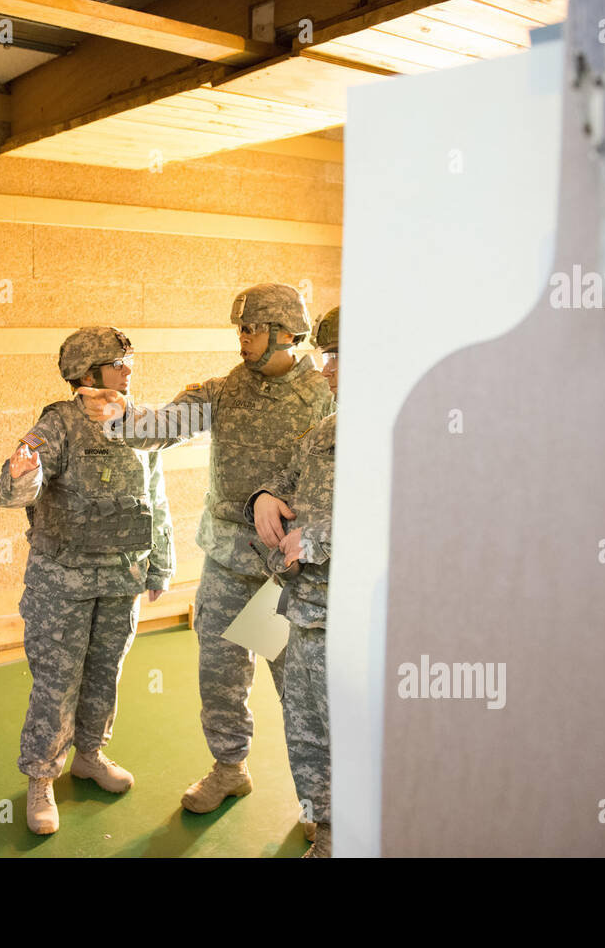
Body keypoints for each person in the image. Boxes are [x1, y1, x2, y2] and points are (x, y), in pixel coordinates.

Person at [78, 284, 333, 814]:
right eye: (240, 329)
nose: (241, 338)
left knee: (302, 694)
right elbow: (163, 426)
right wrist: (119, 418)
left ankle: (320, 806)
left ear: (286, 333)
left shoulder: (327, 393)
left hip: (289, 574)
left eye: (252, 329)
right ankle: (229, 769)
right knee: (220, 677)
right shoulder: (223, 392)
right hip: (226, 562)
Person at [0, 326, 173, 835]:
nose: (129, 369)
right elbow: (13, 492)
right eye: (119, 362)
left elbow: (155, 499)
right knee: (57, 682)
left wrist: (160, 563)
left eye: (129, 360)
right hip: (63, 582)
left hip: (122, 576)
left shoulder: (140, 423)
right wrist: (22, 473)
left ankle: (90, 755)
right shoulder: (59, 424)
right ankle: (40, 778)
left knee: (104, 673)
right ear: (88, 373)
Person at [246, 305, 338, 857]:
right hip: (302, 612)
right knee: (307, 734)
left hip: (360, 622)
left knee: (360, 737)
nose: (325, 370)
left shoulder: (409, 435)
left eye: (335, 359)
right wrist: (263, 497)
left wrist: (321, 536)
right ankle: (326, 836)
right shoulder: (323, 432)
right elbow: (287, 484)